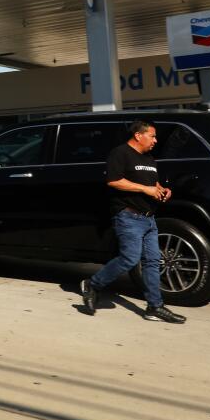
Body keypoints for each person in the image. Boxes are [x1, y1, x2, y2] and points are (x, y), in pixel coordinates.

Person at [80, 121, 186, 324]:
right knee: (130, 258)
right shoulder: (120, 153)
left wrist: (160, 189)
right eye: (152, 136)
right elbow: (114, 180)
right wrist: (145, 190)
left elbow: (150, 182)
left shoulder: (149, 158)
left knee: (154, 262)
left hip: (149, 218)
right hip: (128, 216)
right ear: (138, 135)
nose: (155, 140)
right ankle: (93, 284)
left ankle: (154, 307)